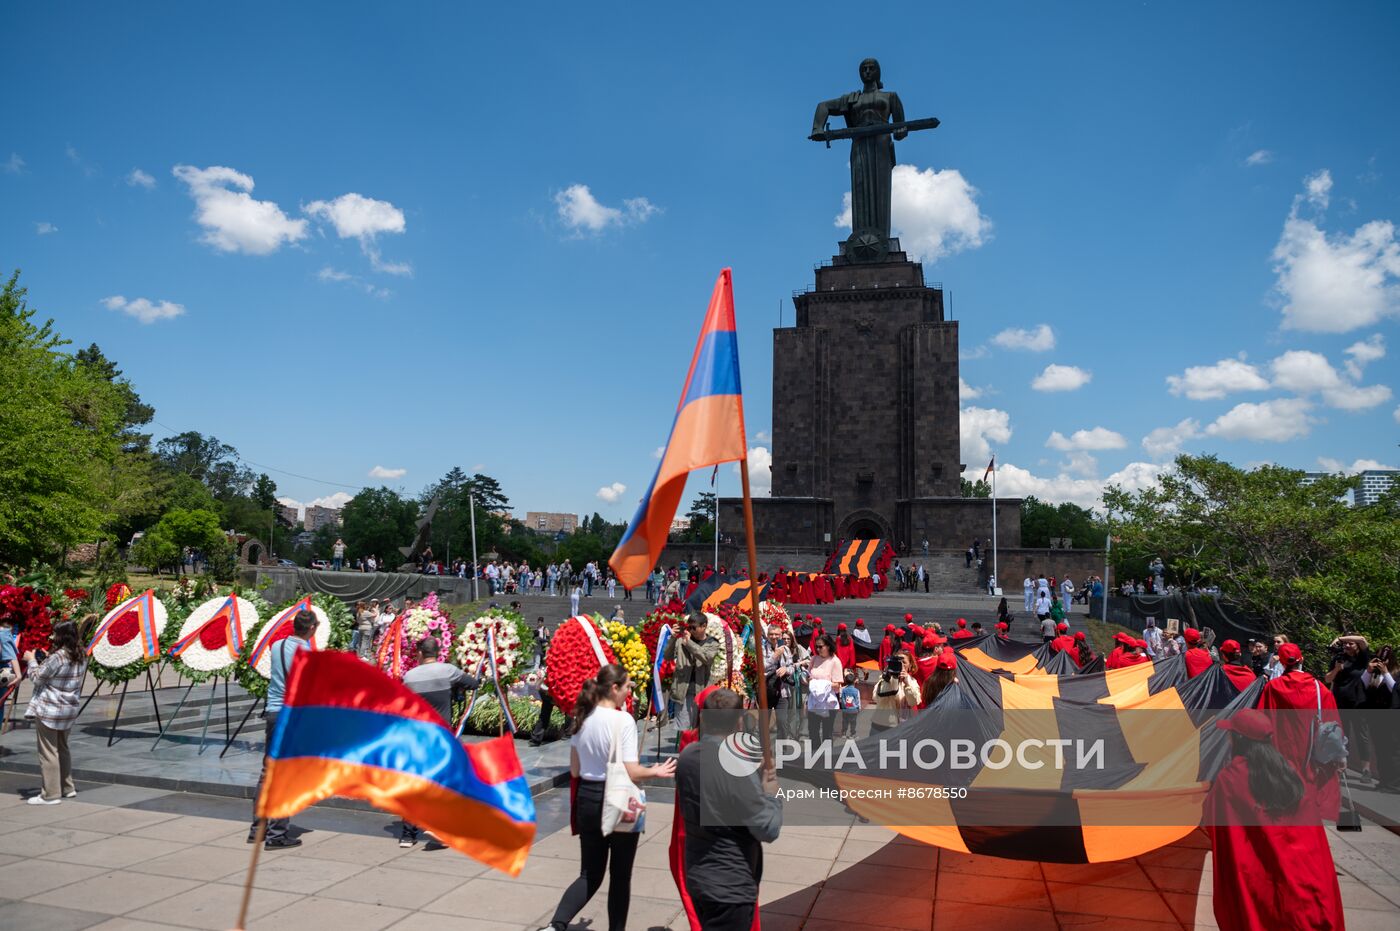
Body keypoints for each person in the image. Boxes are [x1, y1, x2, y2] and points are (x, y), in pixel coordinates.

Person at [539, 665, 675, 931]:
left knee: (589, 873)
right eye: (627, 688)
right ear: (614, 688)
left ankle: (556, 925)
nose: (629, 694)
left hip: (588, 798)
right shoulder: (622, 720)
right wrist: (656, 771)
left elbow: (575, 770)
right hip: (619, 798)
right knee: (620, 876)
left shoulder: (582, 718)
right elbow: (631, 770)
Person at [1205, 708, 1343, 931]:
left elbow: (1218, 826)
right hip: (1306, 878)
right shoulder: (1289, 770)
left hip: (1264, 882)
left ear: (1238, 739)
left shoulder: (1231, 778)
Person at [677, 688, 782, 931]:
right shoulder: (734, 766)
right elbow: (768, 827)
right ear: (739, 722)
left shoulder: (688, 756)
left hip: (699, 877)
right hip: (729, 885)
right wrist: (770, 792)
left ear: (702, 718)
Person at [247, 608, 317, 848]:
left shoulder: (276, 646)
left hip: (273, 712)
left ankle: (257, 829)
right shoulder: (307, 653)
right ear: (311, 629)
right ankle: (277, 835)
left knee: (267, 771)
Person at [399, 638, 478, 846]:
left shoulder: (409, 677)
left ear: (419, 654)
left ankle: (408, 834)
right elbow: (472, 683)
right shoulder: (448, 671)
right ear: (439, 652)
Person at [1258, 643, 1341, 822]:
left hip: (1281, 753)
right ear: (1301, 659)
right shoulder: (1321, 690)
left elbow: (1261, 721)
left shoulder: (1273, 688)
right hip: (1310, 756)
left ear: (1281, 662)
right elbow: (1334, 725)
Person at [23, 620, 86, 805]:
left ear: (61, 636)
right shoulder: (81, 655)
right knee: (63, 748)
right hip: (68, 709)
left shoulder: (58, 656)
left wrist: (31, 660)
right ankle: (67, 788)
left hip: (50, 709)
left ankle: (50, 794)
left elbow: (37, 678)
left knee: (48, 752)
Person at [665, 612, 720, 731]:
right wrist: (673, 638)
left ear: (704, 626)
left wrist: (689, 643)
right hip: (683, 690)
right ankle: (683, 749)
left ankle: (699, 748)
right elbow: (667, 656)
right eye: (689, 627)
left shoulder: (712, 643)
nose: (690, 630)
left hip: (702, 690)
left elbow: (706, 659)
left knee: (700, 727)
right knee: (683, 727)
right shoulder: (681, 641)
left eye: (694, 627)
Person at [806, 635, 843, 750]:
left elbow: (837, 685)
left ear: (828, 646)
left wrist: (822, 685)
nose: (818, 649)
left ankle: (827, 758)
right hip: (814, 701)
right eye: (816, 647)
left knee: (827, 732)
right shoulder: (814, 659)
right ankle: (815, 754)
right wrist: (811, 682)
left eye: (820, 647)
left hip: (828, 702)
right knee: (812, 729)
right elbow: (808, 676)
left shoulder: (835, 661)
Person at [871, 651, 919, 734]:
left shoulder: (912, 682)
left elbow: (913, 702)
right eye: (898, 662)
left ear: (910, 665)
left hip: (902, 727)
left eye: (904, 662)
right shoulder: (885, 679)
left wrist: (906, 683)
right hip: (881, 726)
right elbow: (876, 698)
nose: (900, 665)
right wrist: (887, 679)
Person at [837, 670, 861, 739]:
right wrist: (859, 708)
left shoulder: (843, 690)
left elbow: (841, 699)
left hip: (845, 709)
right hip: (854, 709)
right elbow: (858, 700)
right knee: (853, 722)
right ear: (854, 682)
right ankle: (852, 734)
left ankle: (843, 733)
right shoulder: (856, 691)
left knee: (845, 721)